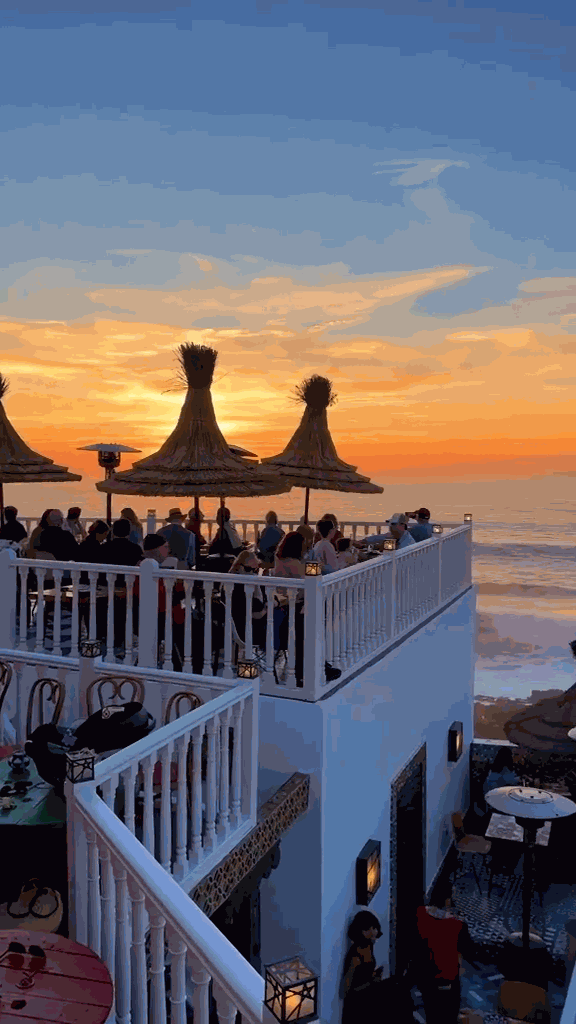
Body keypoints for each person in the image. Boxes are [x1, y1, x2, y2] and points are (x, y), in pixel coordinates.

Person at [342, 911, 415, 1023]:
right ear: (363, 930)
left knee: (400, 987)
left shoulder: (369, 946)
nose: (376, 931)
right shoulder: (355, 956)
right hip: (360, 999)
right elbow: (347, 991)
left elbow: (366, 974)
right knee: (397, 992)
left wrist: (373, 976)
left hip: (370, 990)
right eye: (373, 928)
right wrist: (371, 981)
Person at [415, 900, 474, 1024]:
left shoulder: (419, 914)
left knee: (431, 1014)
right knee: (449, 1016)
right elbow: (469, 951)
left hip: (426, 979)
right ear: (447, 900)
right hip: (448, 980)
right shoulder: (458, 924)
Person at [229, 549, 267, 647]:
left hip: (238, 629)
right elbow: (258, 612)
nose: (252, 573)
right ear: (238, 566)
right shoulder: (238, 588)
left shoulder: (231, 580)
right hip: (246, 632)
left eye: (255, 570)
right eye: (247, 569)